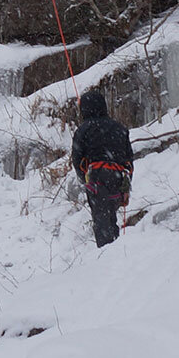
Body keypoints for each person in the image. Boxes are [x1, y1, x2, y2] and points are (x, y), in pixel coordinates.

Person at [69, 88, 134, 248]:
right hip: (119, 177)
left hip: (96, 176)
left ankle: (107, 256)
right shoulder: (119, 128)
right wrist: (126, 184)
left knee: (102, 220)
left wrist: (83, 178)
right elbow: (129, 159)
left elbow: (77, 158)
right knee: (110, 216)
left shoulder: (83, 130)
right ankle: (116, 248)